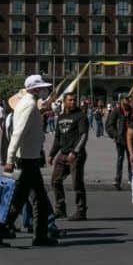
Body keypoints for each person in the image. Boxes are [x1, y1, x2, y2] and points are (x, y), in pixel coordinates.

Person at [0, 75, 56, 248]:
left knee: (27, 199)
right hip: (27, 160)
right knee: (27, 199)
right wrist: (9, 158)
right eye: (40, 88)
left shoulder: (28, 103)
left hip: (30, 158)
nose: (42, 91)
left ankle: (33, 235)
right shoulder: (28, 105)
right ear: (34, 89)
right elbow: (17, 133)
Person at [49, 91, 89, 220]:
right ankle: (60, 209)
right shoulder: (60, 117)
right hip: (63, 154)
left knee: (76, 183)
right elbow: (57, 137)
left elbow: (83, 135)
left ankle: (81, 211)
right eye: (70, 100)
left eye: (74, 100)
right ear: (64, 102)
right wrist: (51, 154)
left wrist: (75, 152)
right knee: (55, 181)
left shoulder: (80, 116)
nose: (72, 102)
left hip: (76, 154)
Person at [105, 98, 133, 191]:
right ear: (121, 103)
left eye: (127, 104)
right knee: (120, 159)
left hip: (131, 139)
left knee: (131, 159)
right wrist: (115, 135)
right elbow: (109, 124)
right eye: (124, 104)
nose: (126, 106)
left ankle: (132, 179)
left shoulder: (131, 111)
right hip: (120, 139)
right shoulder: (116, 111)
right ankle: (118, 179)